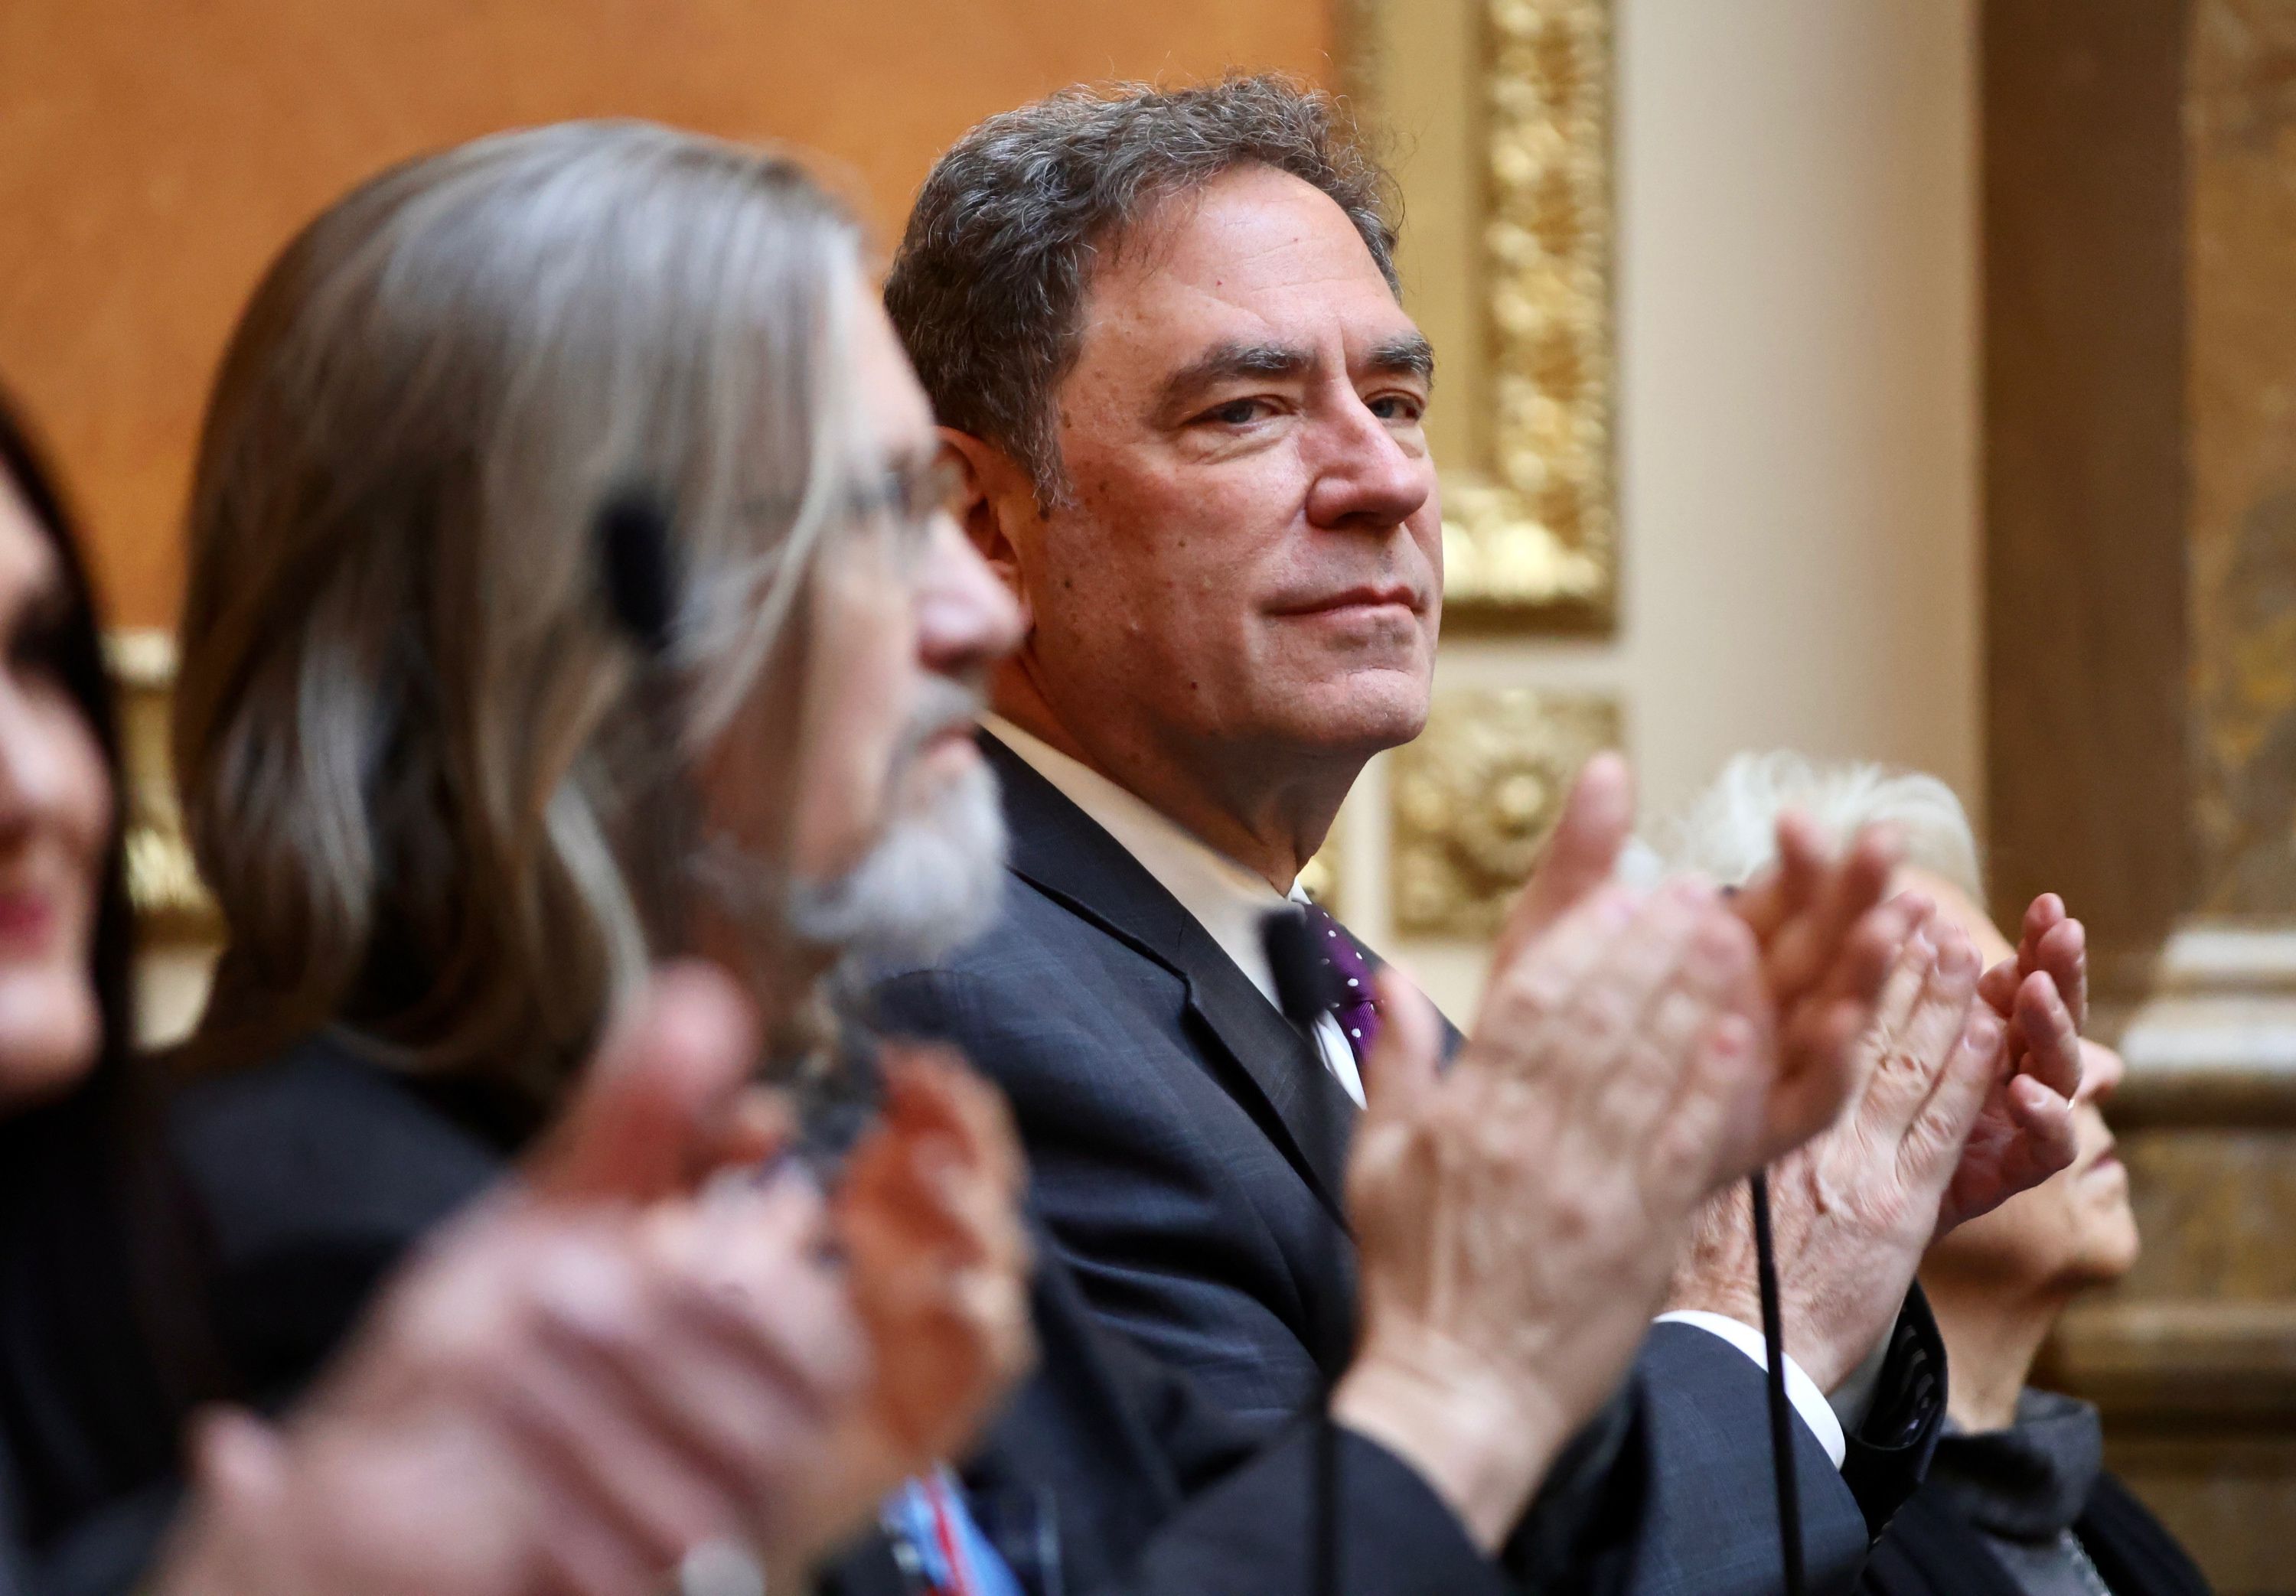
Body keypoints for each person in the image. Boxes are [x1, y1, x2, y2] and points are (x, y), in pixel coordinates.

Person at [142, 117, 1812, 1596]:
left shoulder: (821, 1151)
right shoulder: (285, 1244)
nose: (963, 604)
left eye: (1398, 401)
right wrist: (1465, 1374)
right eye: (875, 521)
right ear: (556, 618)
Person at [875, 73, 2094, 1591]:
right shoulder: (965, 1008)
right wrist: (1734, 1321)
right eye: (1246, 410)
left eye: (1396, 402)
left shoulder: (1301, 968)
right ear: (988, 522)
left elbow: (1564, 1490)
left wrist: (1807, 1227)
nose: (1386, 478)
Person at [0, 392, 1025, 1596]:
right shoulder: (341, 1235)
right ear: (543, 646)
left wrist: (784, 1519)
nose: (33, 785)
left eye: (30, 651)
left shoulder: (79, 1260)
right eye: (874, 518)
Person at [1652, 751, 2213, 1596]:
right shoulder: (1805, 1552)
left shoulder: (2111, 1523)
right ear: (1805, 1136)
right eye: (1979, 1033)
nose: (2096, 1065)